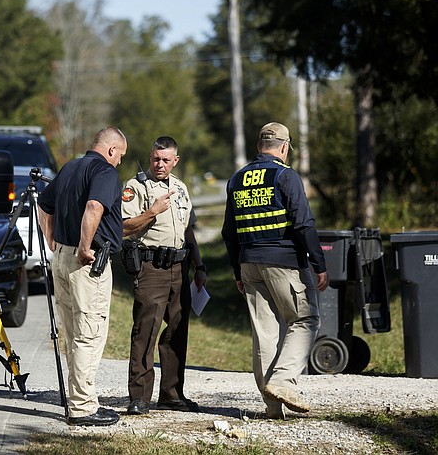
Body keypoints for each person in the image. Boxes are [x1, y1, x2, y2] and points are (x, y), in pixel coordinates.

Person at [221, 122, 329, 420]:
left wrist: (237, 271)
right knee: (305, 319)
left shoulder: (237, 179)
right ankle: (283, 381)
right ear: (284, 147)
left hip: (249, 262)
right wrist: (319, 264)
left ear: (259, 146)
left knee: (264, 334)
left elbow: (228, 232)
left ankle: (272, 408)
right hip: (283, 262)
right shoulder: (285, 175)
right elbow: (304, 223)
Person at [37, 127, 128, 427]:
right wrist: (85, 246)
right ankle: (83, 407)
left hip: (61, 257)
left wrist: (51, 239)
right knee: (89, 333)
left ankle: (79, 399)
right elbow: (94, 207)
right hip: (86, 262)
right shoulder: (104, 172)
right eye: (121, 157)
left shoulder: (70, 167)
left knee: (74, 332)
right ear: (112, 150)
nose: (119, 163)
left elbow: (42, 203)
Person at [121, 136, 208, 415]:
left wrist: (199, 266)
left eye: (165, 160)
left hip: (180, 268)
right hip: (151, 268)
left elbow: (188, 230)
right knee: (145, 330)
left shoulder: (181, 189)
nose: (159, 164)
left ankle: (172, 394)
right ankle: (139, 397)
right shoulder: (136, 187)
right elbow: (125, 227)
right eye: (155, 158)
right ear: (150, 156)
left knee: (177, 331)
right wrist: (152, 211)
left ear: (175, 161)